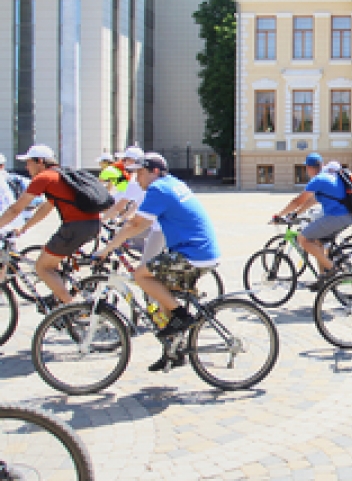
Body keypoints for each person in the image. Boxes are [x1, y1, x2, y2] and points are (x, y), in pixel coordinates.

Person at [94, 153, 221, 371]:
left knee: (140, 274)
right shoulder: (173, 184)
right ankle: (173, 352)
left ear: (154, 172)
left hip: (192, 254)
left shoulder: (158, 189)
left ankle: (181, 316)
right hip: (201, 251)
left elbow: (136, 225)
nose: (137, 179)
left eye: (140, 173)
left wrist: (106, 249)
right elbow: (138, 219)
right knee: (163, 299)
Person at [0, 145, 101, 308]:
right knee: (51, 260)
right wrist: (24, 228)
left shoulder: (44, 177)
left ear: (40, 161)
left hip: (75, 227)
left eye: (28, 162)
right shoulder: (60, 176)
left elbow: (15, 209)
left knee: (42, 267)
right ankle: (59, 299)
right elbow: (46, 208)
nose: (26, 167)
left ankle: (74, 308)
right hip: (91, 224)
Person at [272, 152, 352, 291]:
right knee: (316, 242)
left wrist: (278, 215)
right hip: (345, 216)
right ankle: (322, 278)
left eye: (306, 168)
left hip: (336, 217)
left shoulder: (319, 179)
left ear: (310, 168)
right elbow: (311, 200)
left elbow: (298, 200)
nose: (306, 171)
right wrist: (295, 213)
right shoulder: (330, 176)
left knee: (303, 238)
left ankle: (333, 268)